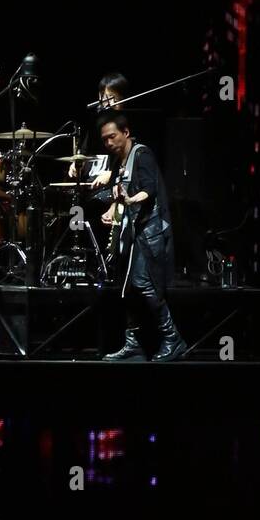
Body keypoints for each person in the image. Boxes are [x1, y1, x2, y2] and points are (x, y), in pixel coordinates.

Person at [95, 112, 187, 362]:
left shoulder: (142, 154)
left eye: (112, 136)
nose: (109, 143)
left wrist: (129, 200)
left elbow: (149, 189)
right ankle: (133, 343)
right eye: (104, 140)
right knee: (129, 288)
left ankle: (173, 338)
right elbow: (121, 192)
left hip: (149, 233)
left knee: (144, 284)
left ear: (126, 133)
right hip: (132, 233)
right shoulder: (120, 162)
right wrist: (112, 208)